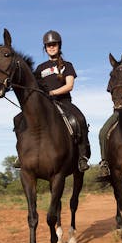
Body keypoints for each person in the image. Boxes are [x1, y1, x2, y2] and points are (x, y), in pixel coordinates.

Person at [34, 30, 90, 172]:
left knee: (79, 119)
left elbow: (69, 86)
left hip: (63, 102)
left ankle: (82, 157)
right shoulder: (40, 68)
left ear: (59, 46)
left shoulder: (67, 65)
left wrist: (52, 92)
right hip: (45, 104)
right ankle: (23, 154)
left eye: (54, 44)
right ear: (45, 48)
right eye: (48, 45)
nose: (51, 47)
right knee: (23, 119)